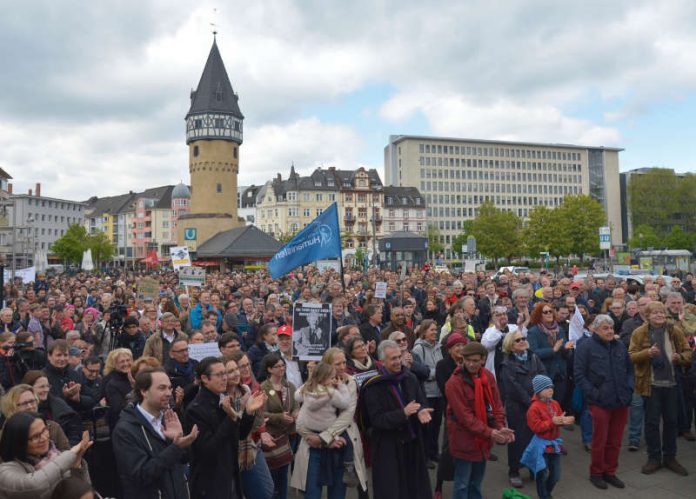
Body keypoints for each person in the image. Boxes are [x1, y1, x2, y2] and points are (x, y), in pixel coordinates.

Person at [184, 356, 267, 499]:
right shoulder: (195, 409)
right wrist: (230, 418)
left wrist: (248, 412)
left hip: (230, 474)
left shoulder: (223, 399)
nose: (225, 378)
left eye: (225, 373)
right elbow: (208, 449)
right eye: (219, 374)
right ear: (204, 378)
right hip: (210, 484)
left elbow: (239, 435)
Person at [291, 347, 368, 499]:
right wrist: (313, 377)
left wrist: (324, 439)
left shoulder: (349, 382)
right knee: (312, 492)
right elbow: (300, 406)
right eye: (337, 364)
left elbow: (346, 417)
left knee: (338, 493)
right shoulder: (315, 382)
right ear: (326, 365)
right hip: (312, 445)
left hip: (340, 442)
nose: (342, 367)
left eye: (344, 362)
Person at [360, 339, 433, 499]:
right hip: (388, 447)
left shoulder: (409, 377)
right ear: (381, 362)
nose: (398, 361)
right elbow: (376, 420)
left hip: (412, 443)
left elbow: (419, 402)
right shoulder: (373, 386)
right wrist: (404, 413)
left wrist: (420, 411)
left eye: (399, 356)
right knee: (393, 491)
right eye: (393, 358)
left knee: (414, 488)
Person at [112, 367, 199, 499]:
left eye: (170, 388)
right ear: (144, 391)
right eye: (162, 388)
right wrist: (175, 447)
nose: (169, 393)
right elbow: (141, 475)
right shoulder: (125, 430)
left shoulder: (168, 419)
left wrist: (179, 440)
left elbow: (183, 461)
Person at [629, 301, 691, 476]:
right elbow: (631, 356)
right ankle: (654, 457)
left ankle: (670, 457)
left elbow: (688, 353)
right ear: (648, 315)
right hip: (651, 385)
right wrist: (647, 353)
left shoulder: (674, 331)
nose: (659, 316)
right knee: (652, 423)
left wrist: (679, 357)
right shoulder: (639, 332)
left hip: (672, 384)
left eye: (662, 313)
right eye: (655, 313)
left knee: (672, 422)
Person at [445, 341, 513, 499]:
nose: (470, 364)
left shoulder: (487, 377)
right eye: (466, 360)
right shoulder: (453, 383)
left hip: (482, 441)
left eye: (475, 361)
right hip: (464, 440)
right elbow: (465, 418)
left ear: (483, 359)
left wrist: (500, 427)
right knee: (462, 484)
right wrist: (491, 432)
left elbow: (496, 405)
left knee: (476, 482)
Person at [574, 314, 633, 489]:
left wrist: (629, 387)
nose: (609, 331)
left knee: (615, 441)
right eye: (605, 328)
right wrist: (594, 393)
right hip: (600, 402)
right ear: (595, 330)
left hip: (621, 400)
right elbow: (579, 375)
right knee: (599, 440)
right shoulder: (585, 347)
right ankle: (597, 473)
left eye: (611, 328)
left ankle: (610, 472)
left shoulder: (620, 345)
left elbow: (630, 370)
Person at [0, 412, 92, 499]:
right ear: (19, 442)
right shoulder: (5, 471)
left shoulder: (57, 456)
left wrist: (77, 467)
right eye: (36, 436)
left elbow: (81, 492)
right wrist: (70, 454)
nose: (44, 438)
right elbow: (33, 486)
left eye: (44, 430)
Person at [498, 329, 546, 488]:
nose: (522, 341)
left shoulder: (533, 357)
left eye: (523, 338)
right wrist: (532, 401)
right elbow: (513, 388)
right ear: (510, 346)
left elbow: (543, 375)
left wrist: (541, 396)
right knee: (517, 440)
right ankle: (514, 470)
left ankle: (534, 467)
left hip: (535, 405)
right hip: (517, 408)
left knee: (535, 438)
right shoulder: (506, 364)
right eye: (518, 340)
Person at [224, 357, 275, 499]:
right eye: (231, 371)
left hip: (250, 448)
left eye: (236, 369)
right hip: (233, 453)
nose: (237, 373)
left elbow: (256, 422)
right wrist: (244, 413)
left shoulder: (245, 390)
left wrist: (256, 410)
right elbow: (234, 430)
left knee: (267, 490)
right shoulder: (222, 399)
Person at [523, 375, 571, 499]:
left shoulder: (554, 403)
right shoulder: (533, 408)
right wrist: (552, 422)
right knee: (542, 474)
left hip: (554, 446)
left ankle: (546, 493)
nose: (551, 389)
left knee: (556, 475)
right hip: (541, 447)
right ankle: (544, 496)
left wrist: (565, 420)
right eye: (546, 387)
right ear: (538, 391)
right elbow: (536, 427)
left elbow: (559, 418)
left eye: (551, 387)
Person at [259, 353, 298, 499]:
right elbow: (261, 414)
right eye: (277, 366)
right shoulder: (263, 388)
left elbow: (296, 405)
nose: (281, 368)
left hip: (290, 435)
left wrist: (295, 414)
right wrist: (279, 417)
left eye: (283, 365)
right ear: (269, 369)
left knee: (284, 472)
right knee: (273, 474)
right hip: (273, 437)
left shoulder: (289, 385)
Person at [411, 319, 444, 466]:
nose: (435, 332)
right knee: (427, 428)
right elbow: (420, 372)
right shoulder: (418, 349)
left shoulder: (438, 347)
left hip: (438, 392)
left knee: (437, 425)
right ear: (424, 332)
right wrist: (438, 373)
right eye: (432, 330)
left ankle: (434, 452)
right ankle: (425, 457)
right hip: (427, 393)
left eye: (436, 330)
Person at [22, 371, 83, 447]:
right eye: (42, 387)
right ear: (29, 388)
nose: (46, 390)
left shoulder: (60, 405)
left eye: (47, 386)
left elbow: (74, 432)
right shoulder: (21, 409)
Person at [103, 348, 134, 430]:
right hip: (121, 424)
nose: (126, 363)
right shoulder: (111, 383)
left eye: (128, 360)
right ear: (115, 364)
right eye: (122, 361)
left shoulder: (135, 377)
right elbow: (117, 408)